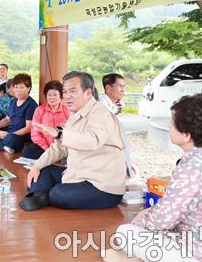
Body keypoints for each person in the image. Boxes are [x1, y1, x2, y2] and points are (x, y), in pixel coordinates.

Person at [103, 94, 202, 262]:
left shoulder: (191, 168)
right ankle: (144, 256)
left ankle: (140, 256)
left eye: (172, 123)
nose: (169, 127)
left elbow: (161, 221)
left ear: (186, 135)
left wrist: (140, 220)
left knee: (126, 233)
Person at [19, 71, 125, 211]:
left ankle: (42, 195)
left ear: (88, 93)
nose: (67, 96)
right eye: (65, 91)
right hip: (76, 175)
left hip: (101, 186)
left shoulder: (101, 114)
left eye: (72, 91)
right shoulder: (75, 115)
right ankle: (39, 195)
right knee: (43, 171)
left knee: (59, 193)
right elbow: (60, 148)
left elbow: (91, 141)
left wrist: (58, 133)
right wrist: (36, 166)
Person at [0, 73, 37, 153]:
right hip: (9, 132)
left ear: (28, 88)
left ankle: (1, 145)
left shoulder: (31, 104)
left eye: (22, 87)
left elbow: (28, 128)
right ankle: (5, 146)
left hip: (20, 136)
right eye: (16, 87)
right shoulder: (13, 101)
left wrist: (8, 135)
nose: (18, 90)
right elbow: (8, 119)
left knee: (11, 139)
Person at [22, 80, 70, 159]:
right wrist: (46, 148)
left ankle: (55, 157)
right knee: (27, 151)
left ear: (61, 97)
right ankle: (52, 157)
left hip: (62, 146)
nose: (52, 98)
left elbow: (71, 132)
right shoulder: (39, 110)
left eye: (55, 95)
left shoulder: (67, 110)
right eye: (49, 95)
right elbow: (35, 133)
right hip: (44, 146)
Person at [100, 73, 133, 176]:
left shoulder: (112, 105)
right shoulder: (102, 108)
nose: (123, 90)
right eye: (120, 86)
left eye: (124, 87)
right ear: (108, 88)